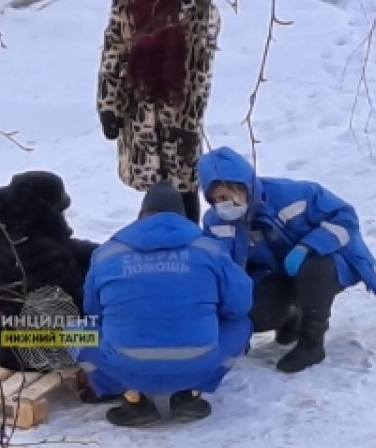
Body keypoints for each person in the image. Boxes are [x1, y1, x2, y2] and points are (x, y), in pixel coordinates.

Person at [78, 181, 253, 427]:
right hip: (197, 364)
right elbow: (239, 305)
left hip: (127, 366)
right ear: (182, 216)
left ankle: (131, 397)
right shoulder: (211, 250)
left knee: (73, 333)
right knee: (241, 324)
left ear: (141, 215)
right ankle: (191, 393)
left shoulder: (107, 253)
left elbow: (93, 310)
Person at [198, 146, 376, 373]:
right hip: (277, 272)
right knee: (253, 312)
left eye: (227, 196)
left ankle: (312, 342)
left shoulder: (295, 195)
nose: (223, 205)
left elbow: (345, 218)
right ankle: (290, 316)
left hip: (330, 260)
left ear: (243, 186)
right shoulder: (217, 223)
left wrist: (308, 246)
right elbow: (224, 269)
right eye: (216, 200)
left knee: (314, 269)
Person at [96, 0, 221, 223]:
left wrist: (188, 121)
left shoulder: (196, 4)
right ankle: (154, 245)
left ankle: (189, 240)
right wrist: (109, 107)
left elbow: (199, 73)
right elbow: (113, 55)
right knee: (152, 182)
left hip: (177, 107)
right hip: (138, 105)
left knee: (183, 184)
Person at [0, 170, 101, 371]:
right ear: (47, 211)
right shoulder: (42, 255)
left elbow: (68, 248)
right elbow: (77, 308)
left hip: (0, 341)